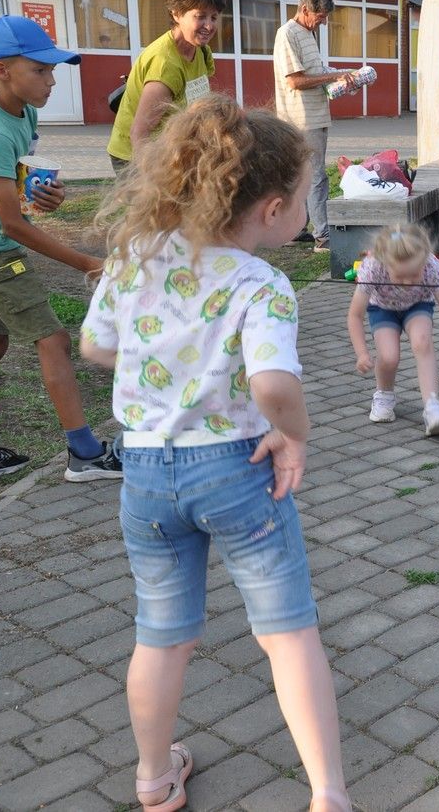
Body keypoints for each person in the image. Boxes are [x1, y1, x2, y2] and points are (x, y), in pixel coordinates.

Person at [81, 96, 349, 812]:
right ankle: (327, 794)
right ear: (269, 210)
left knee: (162, 636)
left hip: (144, 473)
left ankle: (151, 776)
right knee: (288, 636)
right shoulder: (261, 283)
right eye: (300, 198)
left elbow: (96, 346)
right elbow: (271, 383)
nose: (301, 210)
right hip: (235, 469)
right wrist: (295, 433)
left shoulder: (134, 255)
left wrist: (159, 368)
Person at [0, 15, 122, 483]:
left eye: (52, 70)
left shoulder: (24, 114)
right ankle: (84, 453)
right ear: (2, 70)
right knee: (54, 340)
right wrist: (87, 262)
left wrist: (50, 197)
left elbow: (22, 198)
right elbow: (10, 223)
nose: (51, 80)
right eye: (40, 70)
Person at [347, 223, 439, 435]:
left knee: (422, 342)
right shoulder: (372, 266)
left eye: (414, 275)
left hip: (418, 305)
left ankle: (432, 406)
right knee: (389, 356)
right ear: (385, 264)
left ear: (424, 261)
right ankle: (384, 395)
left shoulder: (432, 267)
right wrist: (362, 353)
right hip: (382, 308)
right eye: (400, 276)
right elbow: (355, 315)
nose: (408, 282)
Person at [108, 0, 228, 172]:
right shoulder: (165, 65)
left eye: (213, 18)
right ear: (177, 14)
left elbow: (200, 101)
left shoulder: (200, 50)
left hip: (172, 148)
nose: (209, 26)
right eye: (200, 16)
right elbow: (139, 133)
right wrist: (150, 183)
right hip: (136, 156)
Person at [273, 0, 358, 255]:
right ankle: (323, 237)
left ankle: (296, 230)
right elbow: (295, 80)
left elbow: (313, 73)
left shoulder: (308, 33)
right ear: (305, 10)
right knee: (316, 176)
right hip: (301, 117)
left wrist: (338, 78)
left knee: (301, 176)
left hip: (316, 114)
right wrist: (333, 77)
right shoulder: (287, 33)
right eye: (320, 17)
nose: (324, 22)